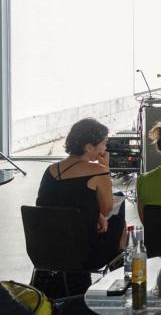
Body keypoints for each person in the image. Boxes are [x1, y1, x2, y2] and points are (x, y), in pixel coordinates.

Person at [35, 118, 126, 280]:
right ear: (89, 147)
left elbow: (57, 203)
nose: (105, 148)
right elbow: (107, 210)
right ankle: (118, 271)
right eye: (103, 144)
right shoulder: (99, 171)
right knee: (119, 208)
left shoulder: (50, 170)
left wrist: (96, 215)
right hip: (85, 254)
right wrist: (105, 168)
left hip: (46, 250)